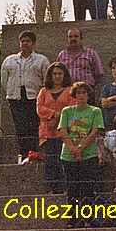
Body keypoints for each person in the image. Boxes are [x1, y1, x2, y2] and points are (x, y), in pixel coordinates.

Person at [58, 81, 105, 226]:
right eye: (78, 93)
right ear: (74, 95)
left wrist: (80, 148)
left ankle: (87, 219)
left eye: (84, 93)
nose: (81, 96)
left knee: (87, 188)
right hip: (68, 155)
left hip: (88, 154)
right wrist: (73, 148)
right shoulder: (67, 111)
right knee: (72, 188)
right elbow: (63, 130)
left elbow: (95, 131)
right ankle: (71, 219)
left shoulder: (94, 111)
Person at [1, 30, 50, 159]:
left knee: (33, 126)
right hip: (15, 98)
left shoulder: (41, 60)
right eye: (23, 41)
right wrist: (11, 92)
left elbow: (46, 79)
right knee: (20, 128)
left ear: (33, 44)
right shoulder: (9, 60)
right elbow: (4, 80)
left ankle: (35, 153)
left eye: (28, 41)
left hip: (34, 97)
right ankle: (23, 155)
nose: (25, 44)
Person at [37, 63, 74, 193]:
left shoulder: (70, 90)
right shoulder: (43, 91)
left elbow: (71, 109)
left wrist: (58, 119)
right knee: (50, 162)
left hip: (64, 132)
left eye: (60, 73)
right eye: (54, 74)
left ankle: (65, 189)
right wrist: (54, 114)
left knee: (63, 161)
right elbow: (40, 109)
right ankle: (50, 190)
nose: (57, 76)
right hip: (47, 132)